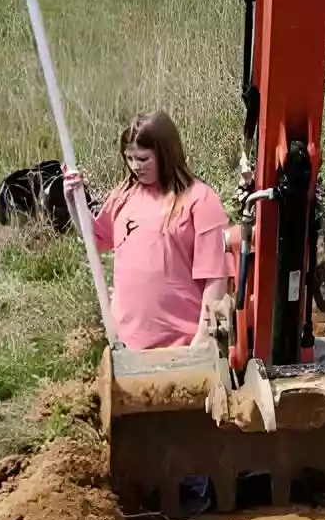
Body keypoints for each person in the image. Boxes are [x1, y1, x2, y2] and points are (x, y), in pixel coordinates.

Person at [64, 111, 230, 351]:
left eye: (143, 159)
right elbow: (96, 240)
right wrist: (73, 201)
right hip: (127, 347)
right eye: (129, 158)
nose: (135, 167)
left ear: (165, 154)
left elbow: (216, 277)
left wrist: (204, 340)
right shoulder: (124, 195)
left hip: (184, 347)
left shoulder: (200, 200)